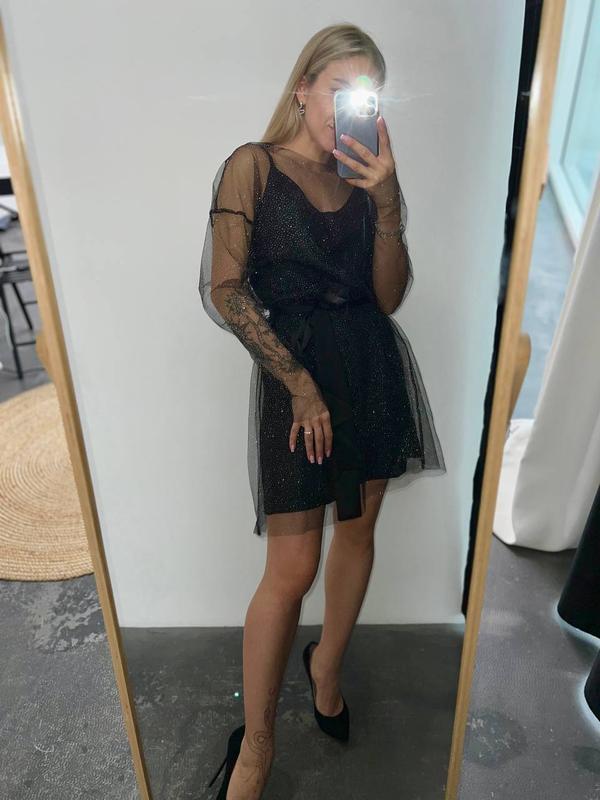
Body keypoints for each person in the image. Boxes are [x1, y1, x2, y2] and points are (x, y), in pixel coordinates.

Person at [199, 22, 446, 800]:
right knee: (292, 568)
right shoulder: (253, 166)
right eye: (337, 87)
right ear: (303, 87)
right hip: (295, 375)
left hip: (369, 368)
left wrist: (388, 201)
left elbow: (388, 296)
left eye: (364, 92)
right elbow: (225, 289)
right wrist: (297, 383)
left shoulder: (367, 175)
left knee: (360, 532)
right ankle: (257, 745)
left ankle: (327, 668)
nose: (348, 105)